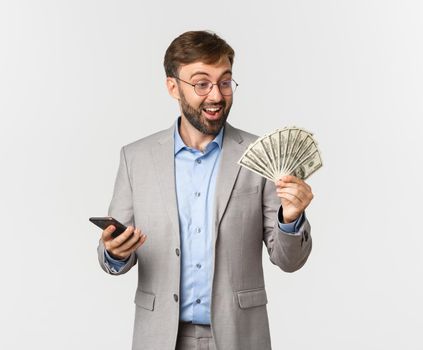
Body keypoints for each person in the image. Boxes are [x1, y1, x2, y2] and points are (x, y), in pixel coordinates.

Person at [97, 30, 314, 350]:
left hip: (240, 335)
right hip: (161, 336)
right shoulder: (136, 158)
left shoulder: (259, 157)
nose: (216, 95)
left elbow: (288, 260)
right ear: (173, 87)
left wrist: (291, 218)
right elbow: (112, 255)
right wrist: (115, 251)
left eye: (225, 82)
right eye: (202, 83)